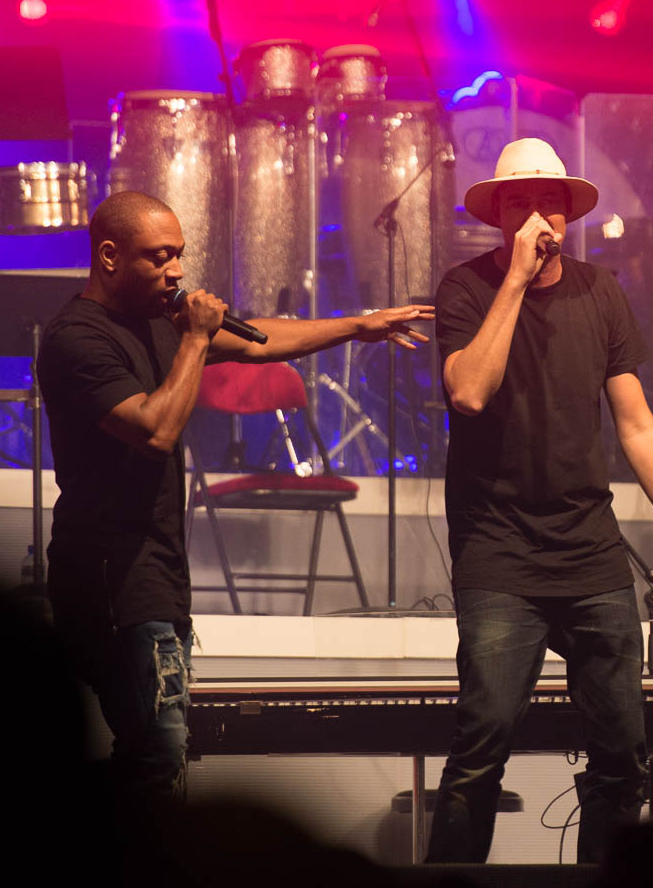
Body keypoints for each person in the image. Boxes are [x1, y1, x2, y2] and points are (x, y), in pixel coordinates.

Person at [36, 190, 432, 797]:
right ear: (109, 256)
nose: (176, 271)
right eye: (159, 257)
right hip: (109, 575)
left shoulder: (158, 323)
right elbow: (155, 430)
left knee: (154, 749)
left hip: (156, 567)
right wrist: (196, 340)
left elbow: (259, 341)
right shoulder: (76, 338)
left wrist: (359, 326)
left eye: (179, 254)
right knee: (157, 748)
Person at [427, 138, 653, 864]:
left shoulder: (600, 291)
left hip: (589, 550)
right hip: (498, 551)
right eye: (519, 203)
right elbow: (469, 393)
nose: (536, 217)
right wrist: (516, 281)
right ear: (499, 215)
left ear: (568, 212)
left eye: (548, 202)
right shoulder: (466, 289)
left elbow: (636, 425)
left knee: (623, 754)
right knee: (482, 745)